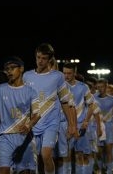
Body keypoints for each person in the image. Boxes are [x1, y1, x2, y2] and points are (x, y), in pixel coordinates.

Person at [23, 43, 75, 174]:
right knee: (36, 159)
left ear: (50, 59)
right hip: (33, 124)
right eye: (38, 57)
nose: (40, 61)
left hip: (51, 124)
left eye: (44, 58)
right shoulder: (27, 76)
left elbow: (64, 102)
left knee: (46, 155)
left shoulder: (57, 76)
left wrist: (71, 125)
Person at [63, 63, 102, 174]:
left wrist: (86, 120)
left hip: (80, 126)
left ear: (75, 73)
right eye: (64, 73)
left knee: (81, 154)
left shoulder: (83, 87)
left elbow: (91, 104)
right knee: (66, 154)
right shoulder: (60, 87)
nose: (66, 75)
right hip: (65, 126)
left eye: (69, 73)